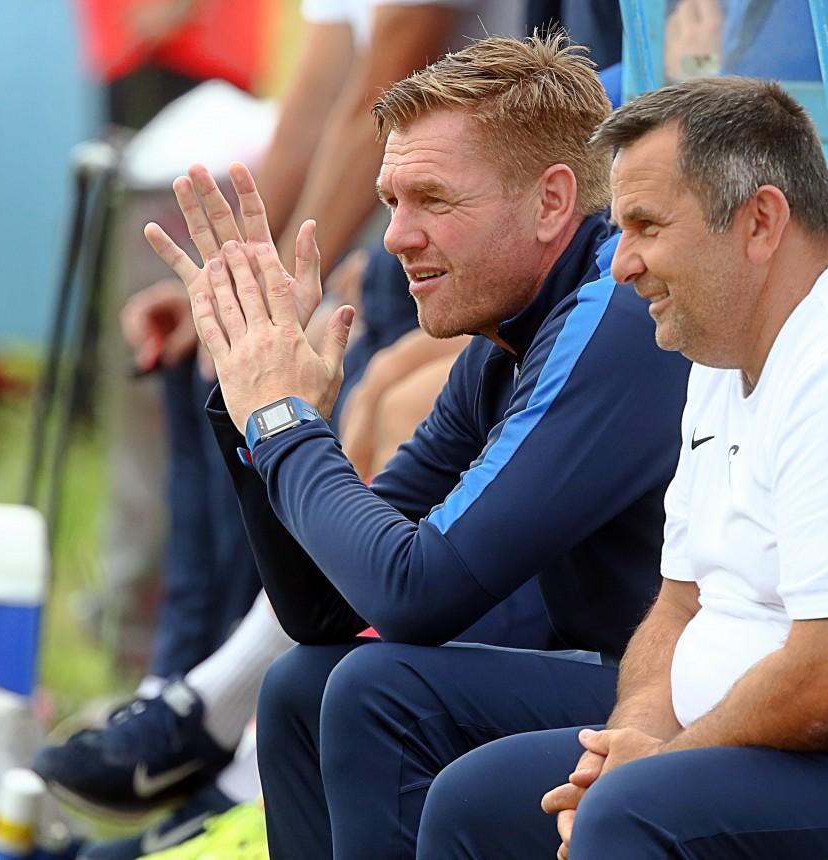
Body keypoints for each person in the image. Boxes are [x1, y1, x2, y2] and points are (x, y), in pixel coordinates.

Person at [412, 76, 828, 859]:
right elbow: (679, 606)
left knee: (630, 815)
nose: (620, 264)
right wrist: (632, 739)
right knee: (476, 802)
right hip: (817, 754)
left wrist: (658, 766)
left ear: (760, 222)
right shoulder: (722, 348)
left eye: (646, 226)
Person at [141, 33, 690, 859]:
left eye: (431, 199)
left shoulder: (610, 312)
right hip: (632, 677)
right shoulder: (505, 337)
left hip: (715, 698)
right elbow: (326, 609)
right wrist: (262, 413)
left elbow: (418, 590)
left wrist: (286, 426)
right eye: (390, 201)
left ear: (551, 202)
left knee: (378, 692)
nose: (395, 236)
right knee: (304, 685)